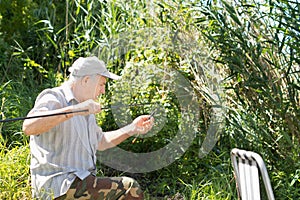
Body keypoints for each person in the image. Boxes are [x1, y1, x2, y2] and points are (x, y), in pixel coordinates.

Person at [22, 56, 154, 199]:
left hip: (81, 183)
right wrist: (74, 110)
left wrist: (132, 128)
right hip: (59, 186)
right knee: (129, 188)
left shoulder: (86, 108)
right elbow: (29, 127)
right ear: (86, 81)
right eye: (101, 84)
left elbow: (100, 141)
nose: (103, 91)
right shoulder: (54, 96)